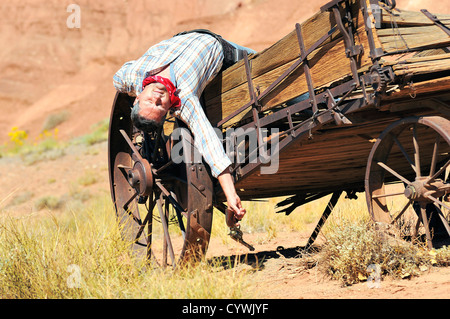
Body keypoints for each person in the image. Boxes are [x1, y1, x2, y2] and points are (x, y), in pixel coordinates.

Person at [113, 31, 256, 228]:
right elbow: (209, 143)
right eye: (159, 106)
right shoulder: (185, 100)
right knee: (279, 64)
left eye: (149, 101)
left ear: (138, 97)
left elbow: (117, 78)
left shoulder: (133, 76)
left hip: (186, 34)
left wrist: (134, 88)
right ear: (168, 112)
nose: (157, 98)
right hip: (227, 51)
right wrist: (231, 196)